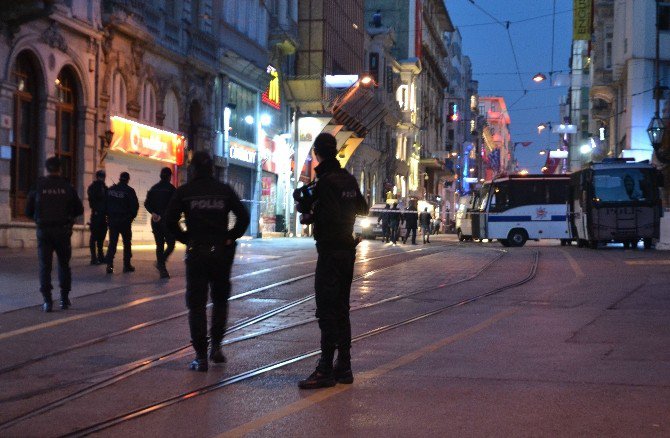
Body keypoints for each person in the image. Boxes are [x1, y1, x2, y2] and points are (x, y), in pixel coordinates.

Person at [165, 151, 250, 372]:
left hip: (197, 253)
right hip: (221, 253)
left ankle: (201, 356)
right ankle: (217, 347)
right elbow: (243, 216)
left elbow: (170, 220)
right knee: (220, 301)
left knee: (196, 304)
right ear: (212, 169)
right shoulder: (223, 191)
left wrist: (186, 238)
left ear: (193, 169)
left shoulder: (186, 192)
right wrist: (231, 236)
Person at [297, 133, 368, 389]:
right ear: (335, 151)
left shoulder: (325, 182)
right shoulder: (347, 178)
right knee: (341, 309)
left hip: (330, 251)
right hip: (347, 251)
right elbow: (364, 208)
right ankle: (344, 366)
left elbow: (329, 216)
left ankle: (325, 368)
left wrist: (310, 216)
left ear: (317, 153)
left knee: (327, 310)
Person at [25, 157, 84, 312]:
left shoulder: (38, 186)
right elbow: (79, 209)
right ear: (60, 169)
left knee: (45, 266)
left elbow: (28, 211)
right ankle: (64, 299)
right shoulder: (67, 186)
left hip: (44, 231)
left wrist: (38, 220)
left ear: (46, 169)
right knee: (64, 265)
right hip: (63, 231)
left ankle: (47, 301)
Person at [145, 167, 177, 279]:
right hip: (167, 221)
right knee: (171, 244)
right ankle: (161, 263)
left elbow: (146, 203)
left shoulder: (154, 188)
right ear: (169, 176)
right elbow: (175, 206)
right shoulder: (172, 189)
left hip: (155, 220)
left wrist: (153, 212)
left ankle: (162, 267)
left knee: (159, 245)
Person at [104, 172, 139, 274]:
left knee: (112, 243)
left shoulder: (110, 190)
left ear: (119, 179)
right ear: (128, 179)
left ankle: (109, 265)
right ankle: (126, 265)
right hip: (125, 221)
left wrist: (108, 216)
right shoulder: (129, 191)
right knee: (127, 243)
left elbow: (105, 205)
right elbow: (135, 207)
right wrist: (131, 218)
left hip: (113, 221)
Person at [87, 170, 108, 265]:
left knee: (101, 237)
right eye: (101, 177)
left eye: (102, 177)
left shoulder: (104, 187)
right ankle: (94, 257)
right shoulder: (94, 187)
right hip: (96, 214)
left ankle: (100, 256)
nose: (102, 178)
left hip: (102, 215)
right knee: (94, 237)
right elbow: (94, 199)